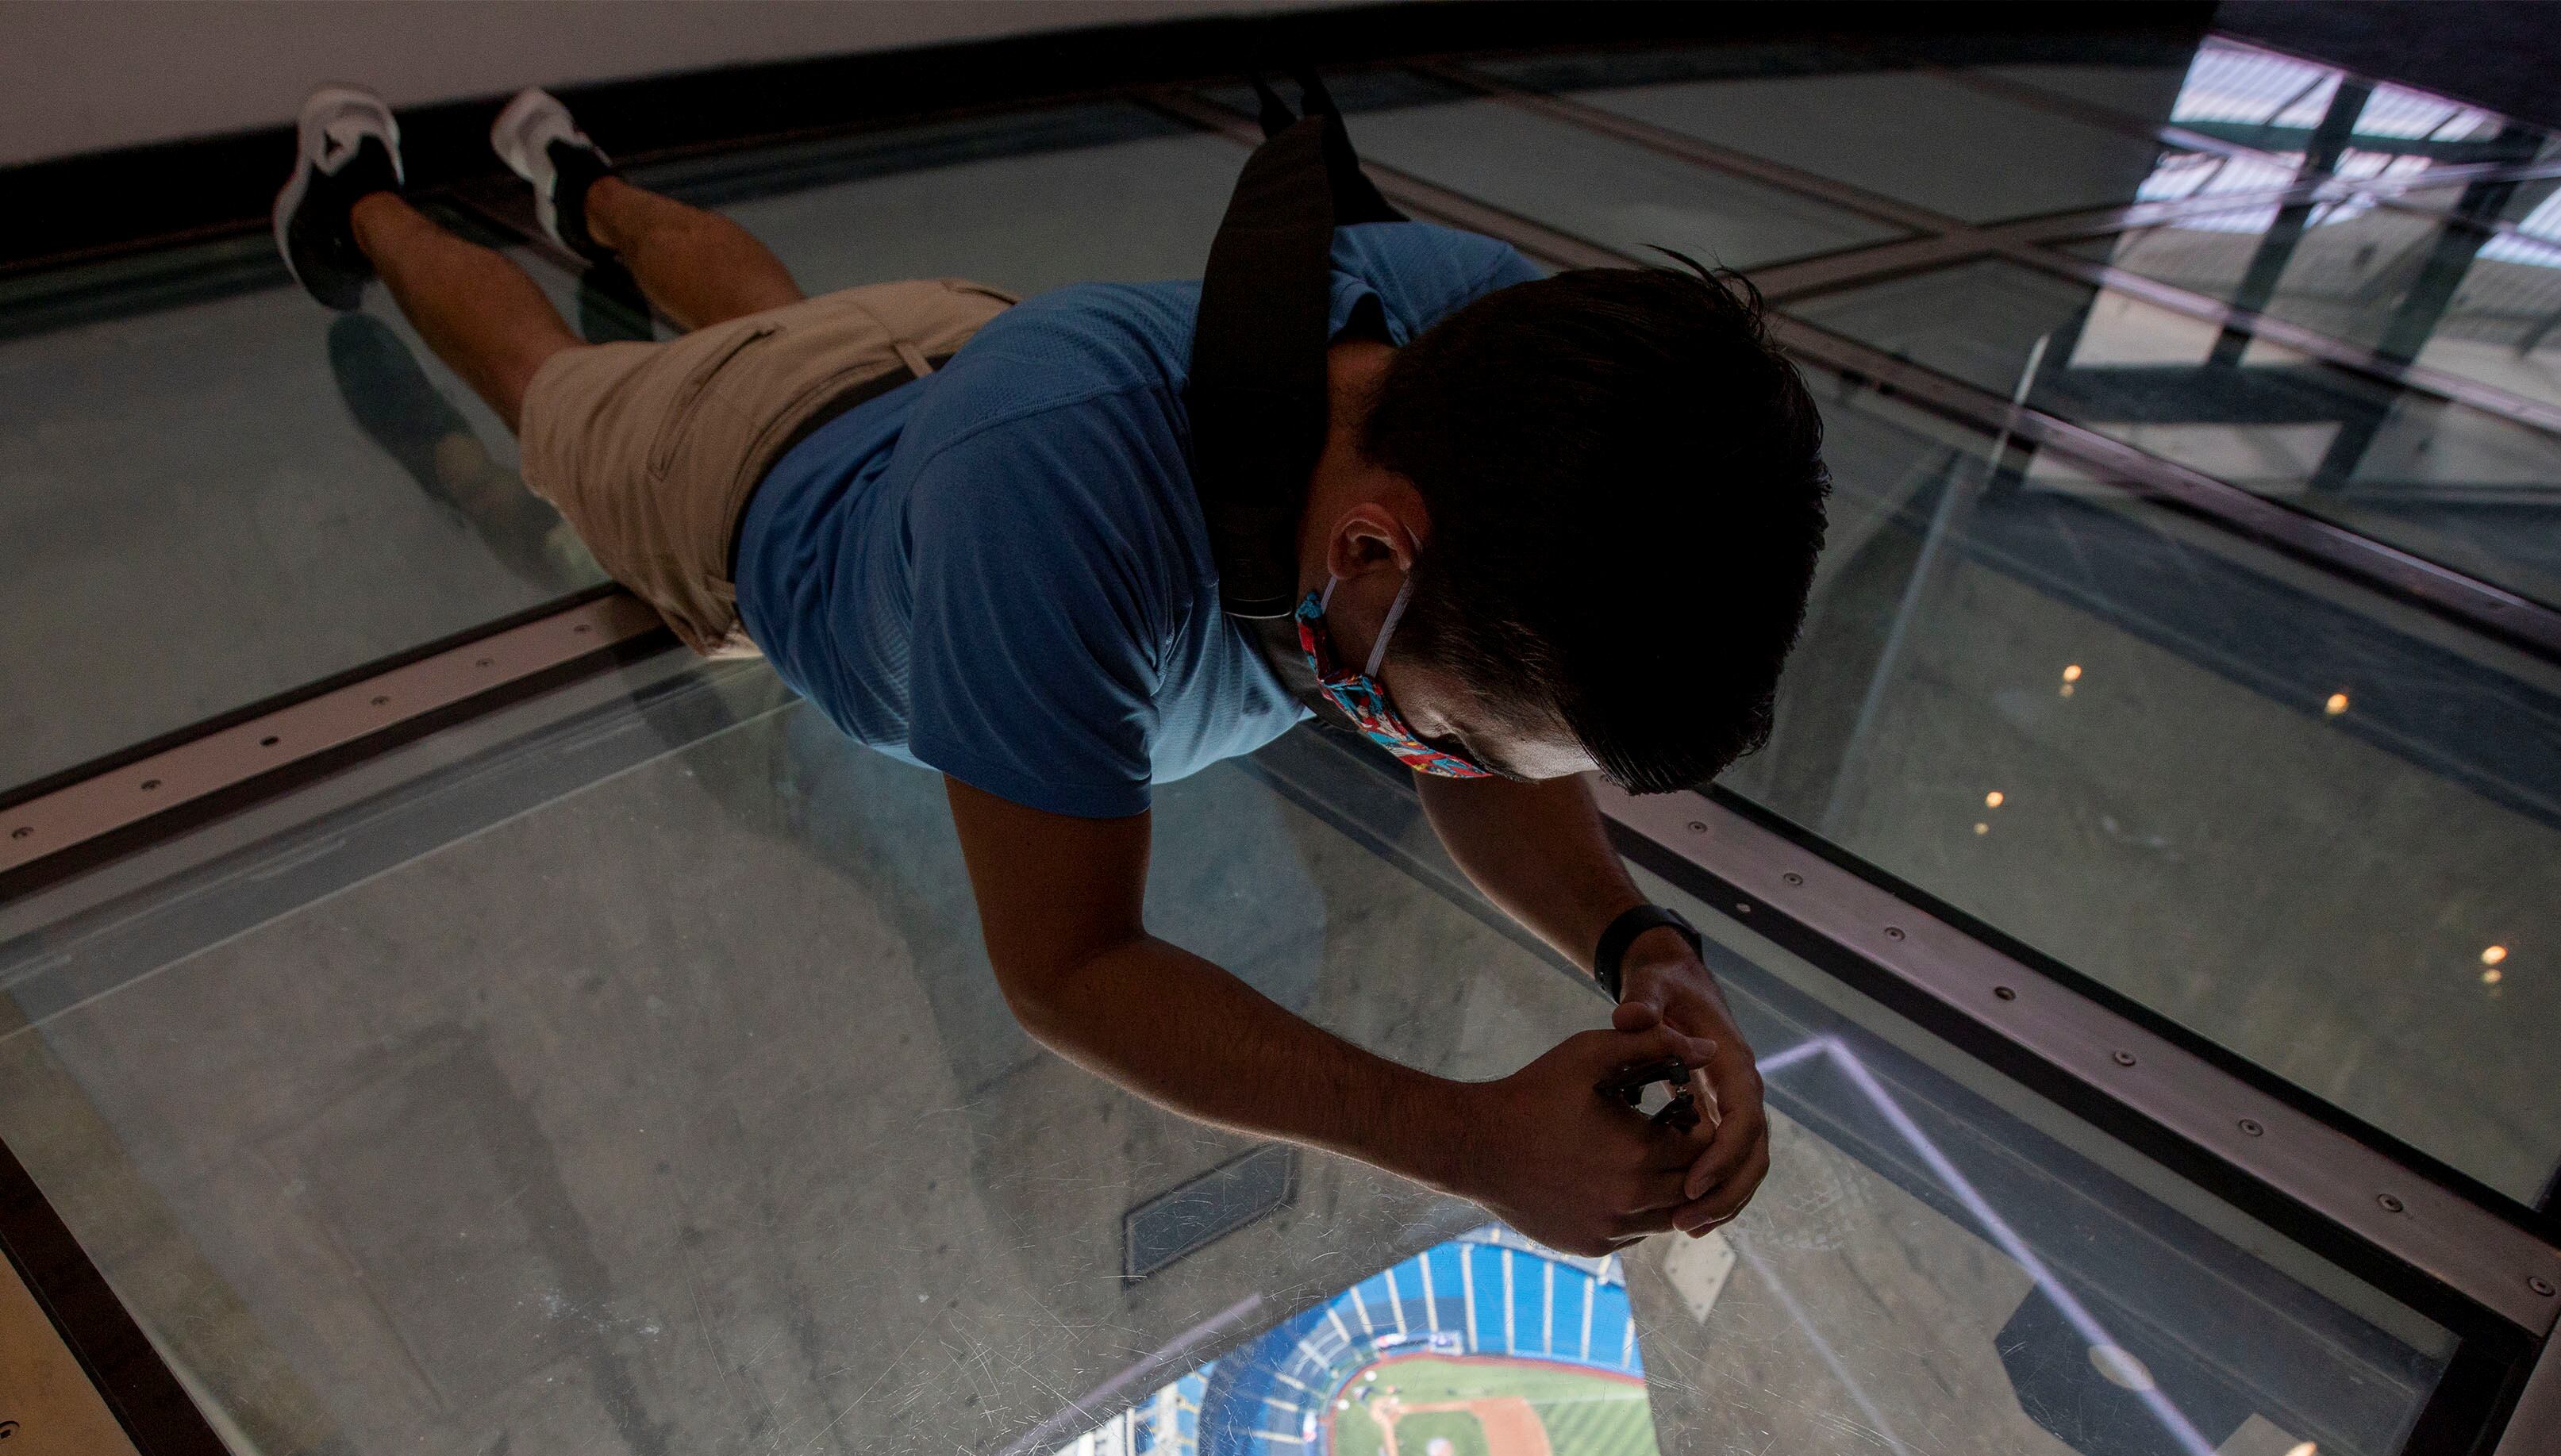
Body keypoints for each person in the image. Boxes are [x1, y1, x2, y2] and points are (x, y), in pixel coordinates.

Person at [271, 81, 1828, 1257]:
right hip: (741, 483)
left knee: (777, 320)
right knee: (561, 393)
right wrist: (1464, 1139)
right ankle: (367, 205)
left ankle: (587, 186)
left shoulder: (1489, 344)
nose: (1450, 765)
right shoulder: (1050, 514)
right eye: (1456, 732)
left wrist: (1638, 941)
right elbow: (1072, 970)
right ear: (1369, 550)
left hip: (948, 363)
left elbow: (1478, 748)